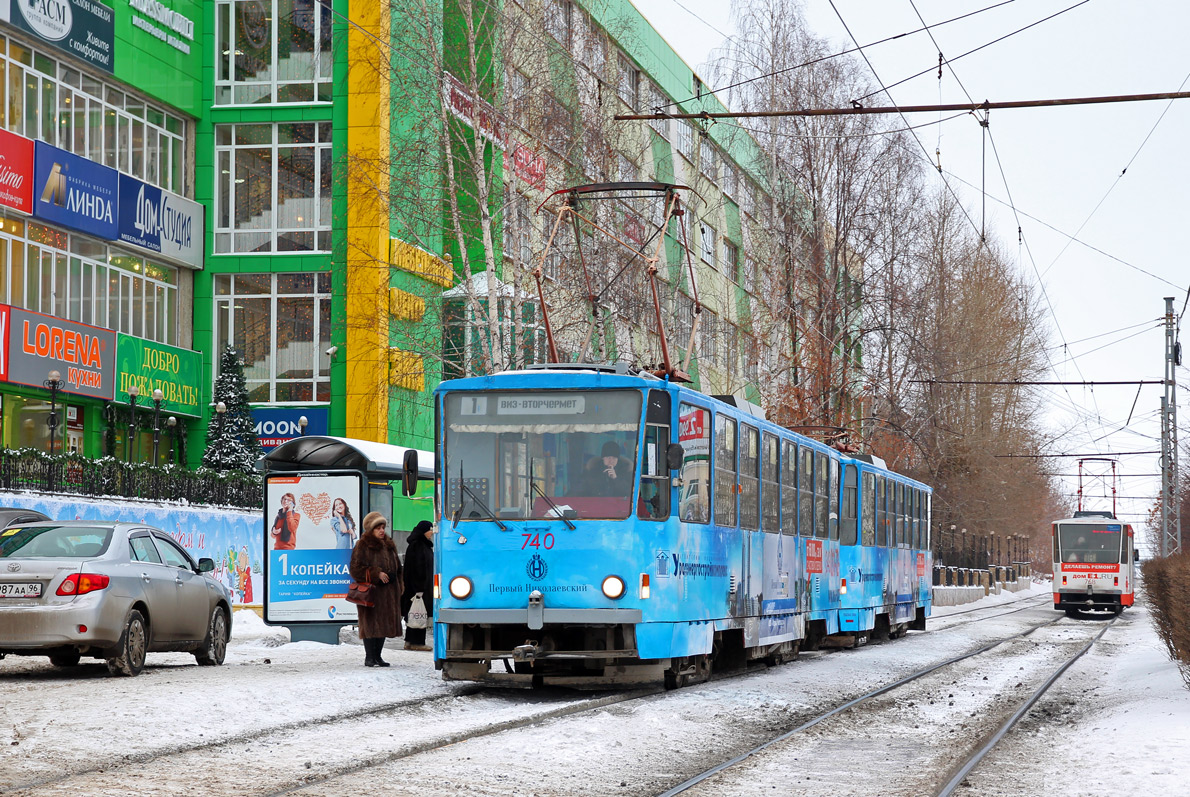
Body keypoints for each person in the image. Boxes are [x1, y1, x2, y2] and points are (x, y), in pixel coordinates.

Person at [349, 512, 403, 667]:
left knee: (384, 625)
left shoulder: (389, 544)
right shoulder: (363, 545)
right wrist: (376, 573)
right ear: (370, 529)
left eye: (383, 527)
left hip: (388, 592)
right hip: (372, 593)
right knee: (371, 624)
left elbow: (398, 567)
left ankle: (378, 656)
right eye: (378, 528)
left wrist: (397, 580)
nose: (381, 531)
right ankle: (369, 657)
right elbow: (355, 569)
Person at [401, 520, 435, 651]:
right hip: (418, 588)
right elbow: (418, 568)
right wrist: (419, 589)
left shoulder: (421, 545)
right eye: (430, 529)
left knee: (415, 613)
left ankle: (409, 641)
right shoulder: (418, 545)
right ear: (424, 531)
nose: (431, 532)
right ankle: (417, 642)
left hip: (418, 587)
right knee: (419, 614)